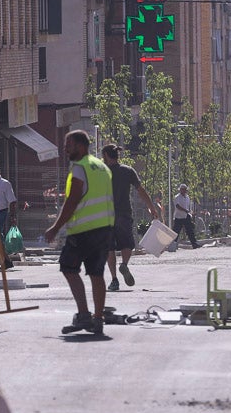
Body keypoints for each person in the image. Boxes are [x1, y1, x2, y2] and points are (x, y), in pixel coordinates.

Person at [44, 130, 114, 336]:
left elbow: (72, 201)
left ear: (81, 146)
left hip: (84, 230)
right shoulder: (102, 167)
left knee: (68, 267)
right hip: (104, 228)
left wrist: (55, 228)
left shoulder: (80, 168)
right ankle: (98, 319)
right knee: (96, 273)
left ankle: (84, 314)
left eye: (69, 145)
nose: (65, 149)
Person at [101, 144, 159, 291]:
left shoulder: (101, 172)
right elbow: (141, 190)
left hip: (106, 215)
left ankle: (114, 280)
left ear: (107, 156)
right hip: (124, 214)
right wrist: (151, 207)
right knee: (127, 244)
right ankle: (124, 265)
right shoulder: (128, 170)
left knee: (109, 249)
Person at [172, 184, 201, 249]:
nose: (184, 191)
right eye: (183, 189)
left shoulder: (187, 197)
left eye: (185, 189)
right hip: (179, 217)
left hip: (186, 216)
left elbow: (188, 206)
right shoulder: (177, 197)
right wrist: (185, 210)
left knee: (190, 230)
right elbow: (177, 206)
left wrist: (190, 212)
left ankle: (194, 244)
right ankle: (173, 244)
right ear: (180, 190)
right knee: (176, 231)